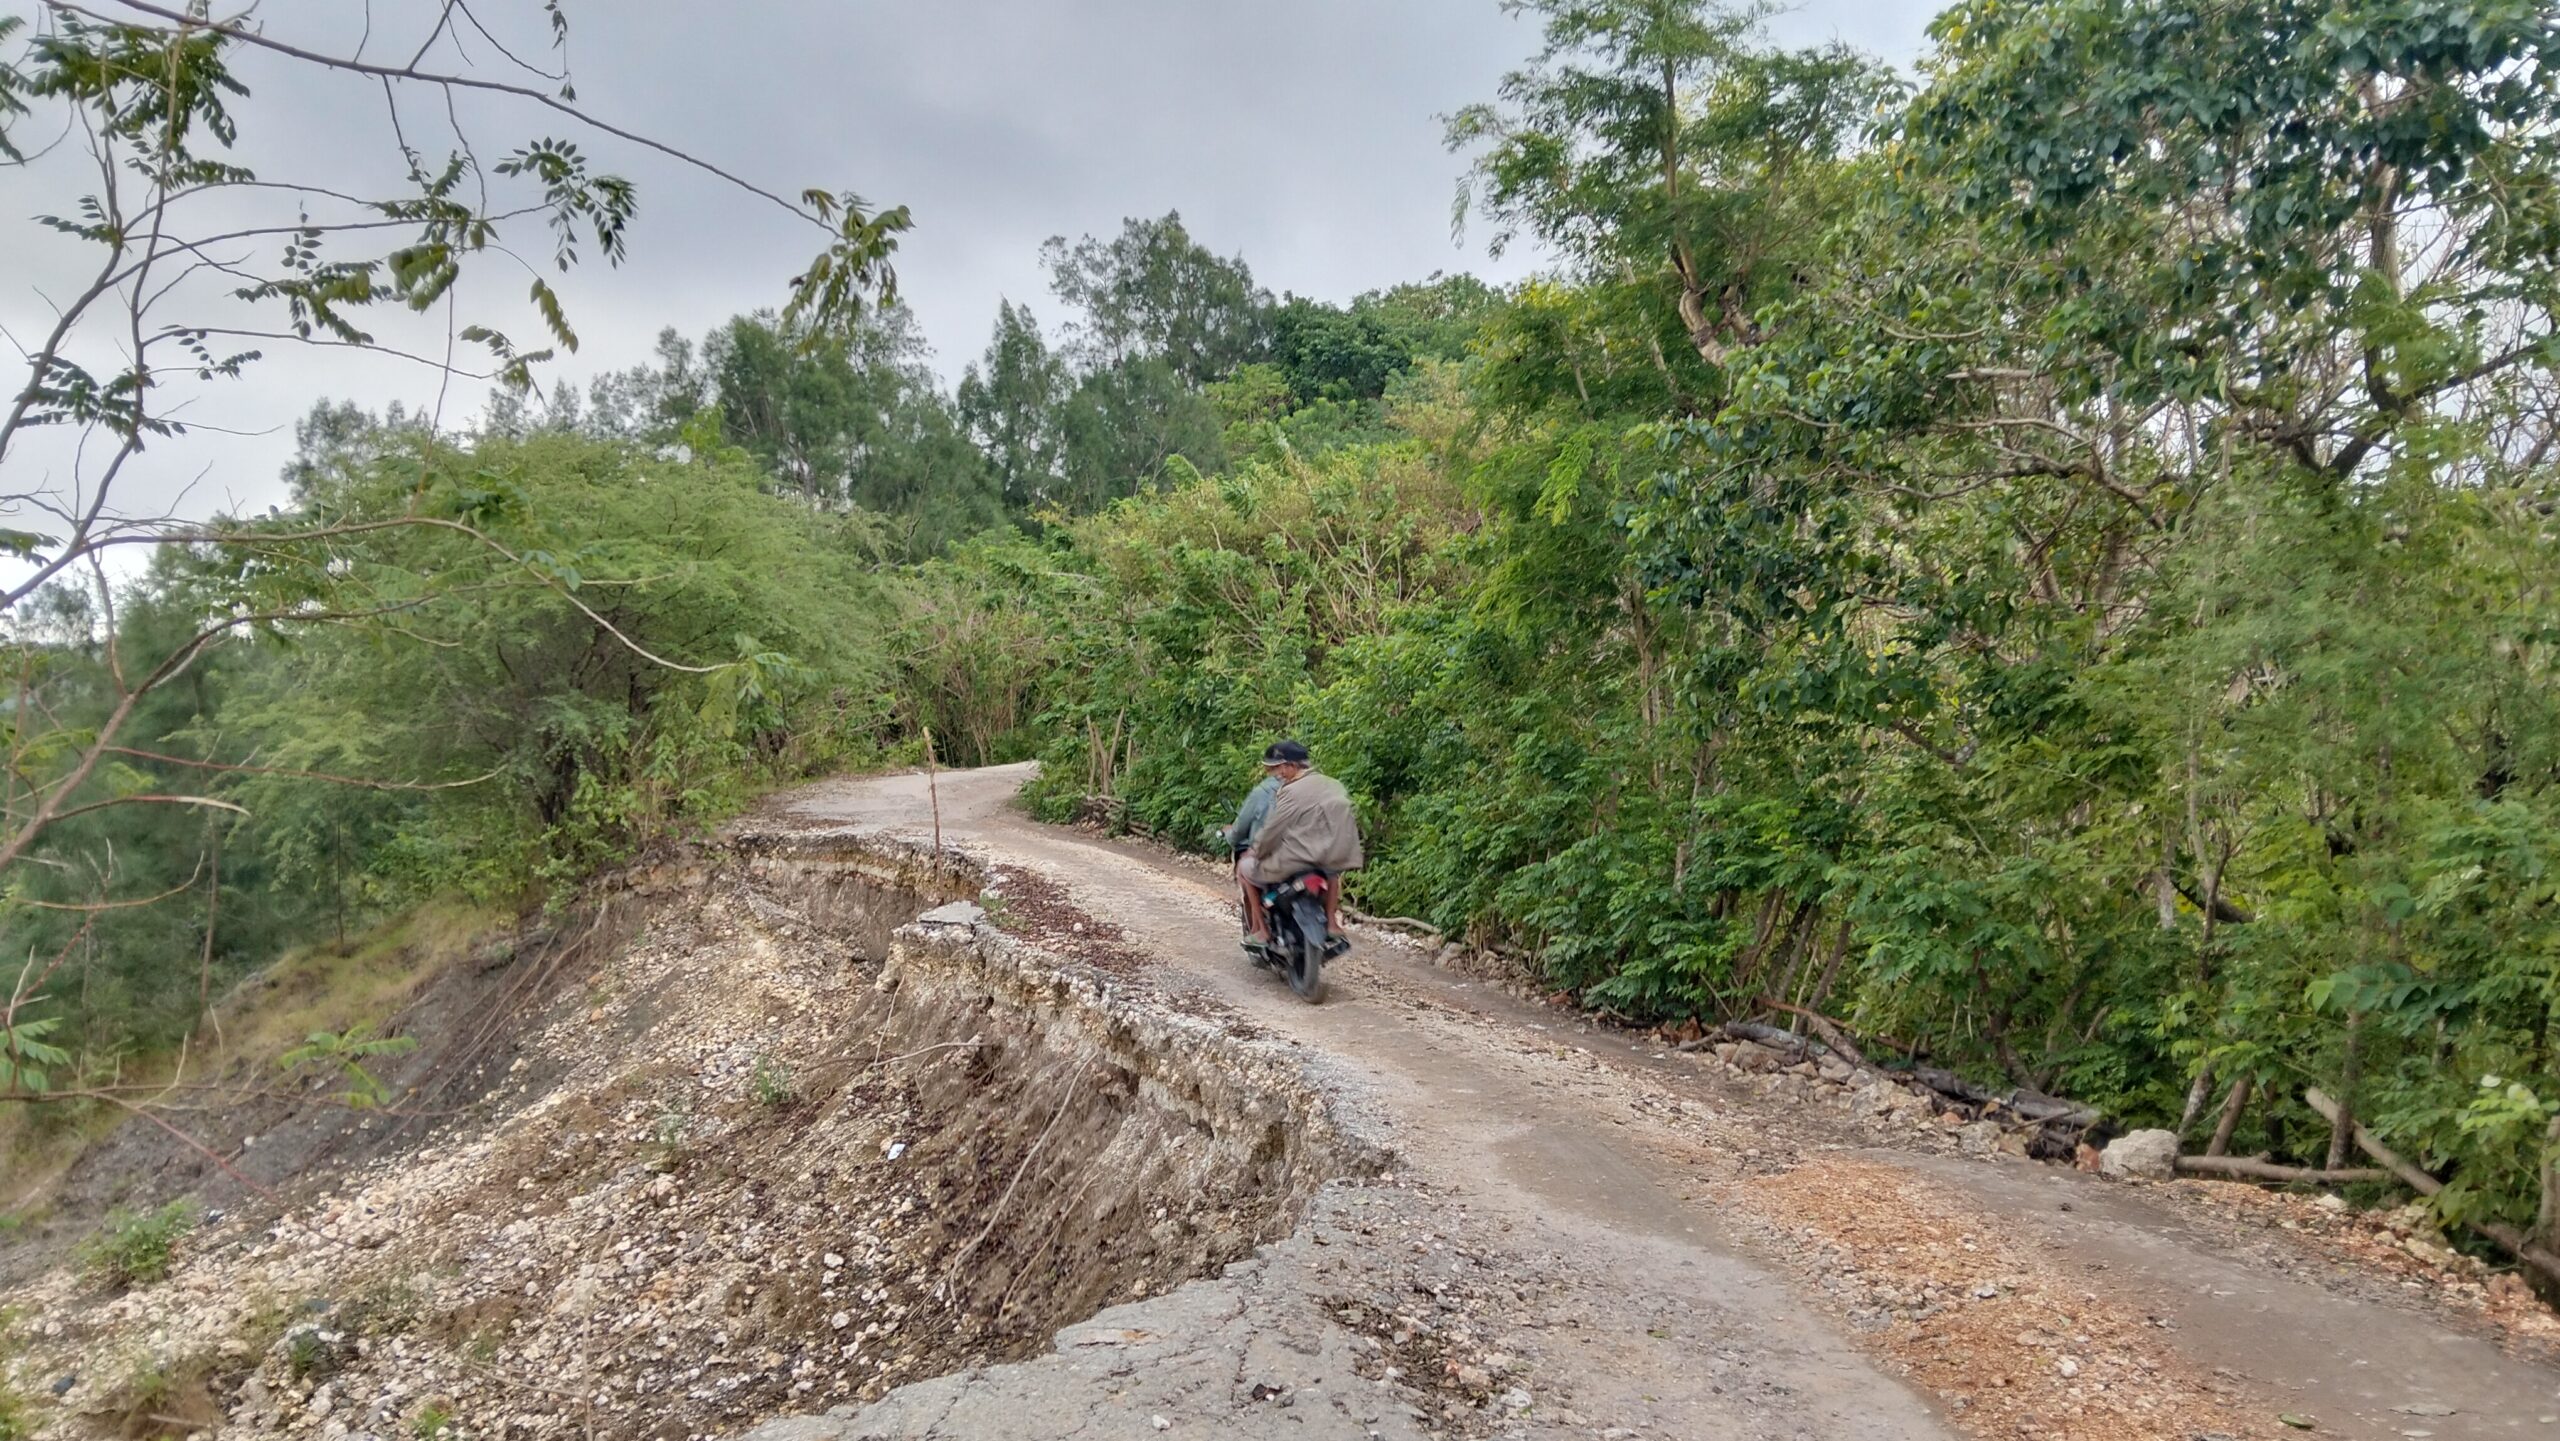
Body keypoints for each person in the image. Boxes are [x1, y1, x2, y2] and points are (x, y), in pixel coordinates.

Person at [1240, 739, 1362, 954]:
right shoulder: (1333, 785)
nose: (1277, 774)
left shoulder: (1292, 790)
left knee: (1245, 869)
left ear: (1292, 766)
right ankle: (1332, 922)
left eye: (1279, 768)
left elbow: (1274, 829)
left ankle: (1262, 931)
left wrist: (1257, 850)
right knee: (1332, 873)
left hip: (1295, 862)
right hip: (1331, 859)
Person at [1220, 755, 1283, 945]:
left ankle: (1259, 929)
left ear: (1268, 768)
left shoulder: (1261, 793)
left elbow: (1239, 830)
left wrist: (1229, 834)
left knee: (1245, 871)